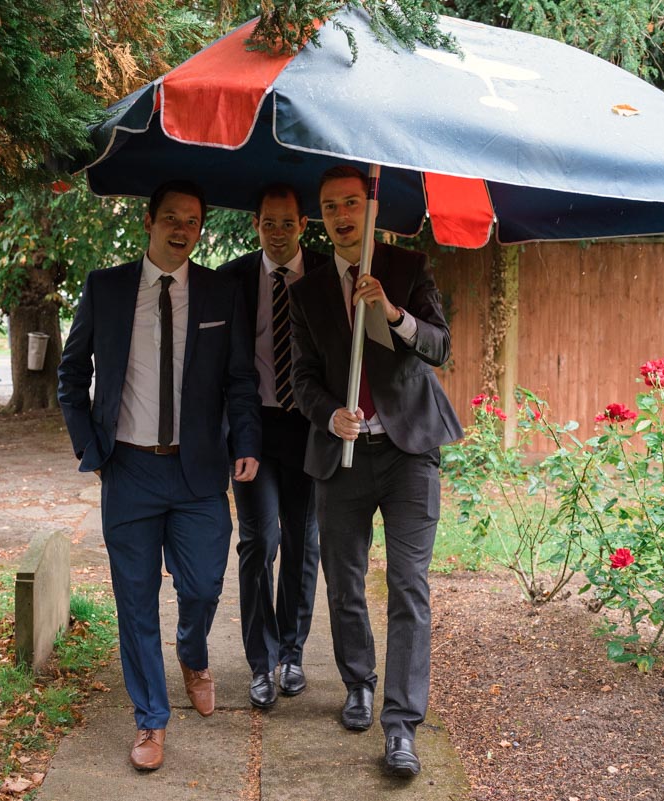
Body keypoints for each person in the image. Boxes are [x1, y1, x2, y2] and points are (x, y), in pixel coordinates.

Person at [57, 179, 262, 772]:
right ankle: (151, 718)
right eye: (171, 217)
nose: (182, 229)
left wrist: (245, 441)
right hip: (129, 472)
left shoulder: (221, 293)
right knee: (136, 601)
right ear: (149, 220)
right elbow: (72, 376)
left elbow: (239, 381)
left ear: (201, 228)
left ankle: (193, 655)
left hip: (198, 473)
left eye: (192, 221)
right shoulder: (107, 289)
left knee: (200, 586)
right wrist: (90, 447)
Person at [287, 165, 463, 778]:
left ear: (370, 208)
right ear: (320, 216)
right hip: (345, 455)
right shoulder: (306, 292)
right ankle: (358, 681)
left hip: (410, 449)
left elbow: (440, 346)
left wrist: (391, 313)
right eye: (330, 206)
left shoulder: (407, 269)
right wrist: (329, 413)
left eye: (352, 204)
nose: (342, 215)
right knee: (344, 580)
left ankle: (401, 725)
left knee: (410, 585)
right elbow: (301, 379)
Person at [217, 184, 327, 709]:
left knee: (303, 542)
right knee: (260, 540)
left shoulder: (329, 275)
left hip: (310, 426)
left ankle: (291, 653)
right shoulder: (234, 279)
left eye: (287, 223)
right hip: (254, 427)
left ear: (303, 225)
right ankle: (259, 663)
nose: (277, 233)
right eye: (268, 223)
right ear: (255, 224)